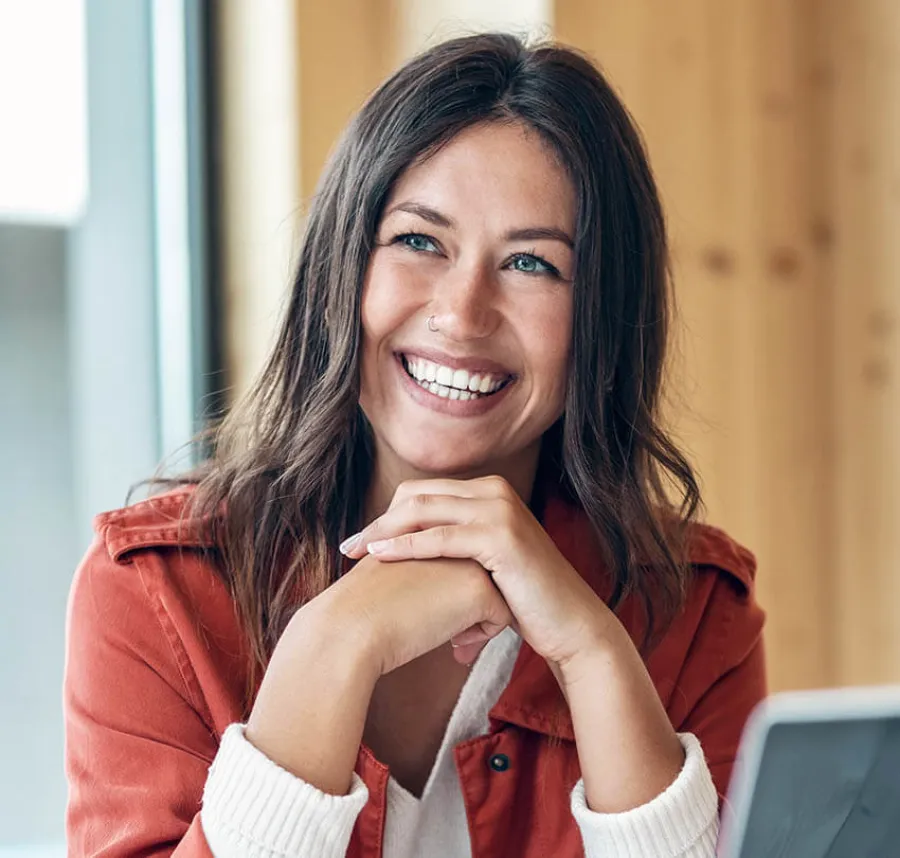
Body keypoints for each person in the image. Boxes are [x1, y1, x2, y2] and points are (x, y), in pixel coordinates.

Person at [64, 32, 766, 858]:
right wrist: (334, 646)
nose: (462, 315)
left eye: (533, 264)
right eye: (420, 242)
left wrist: (593, 651)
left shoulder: (694, 614)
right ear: (343, 268)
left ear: (601, 324)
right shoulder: (158, 596)